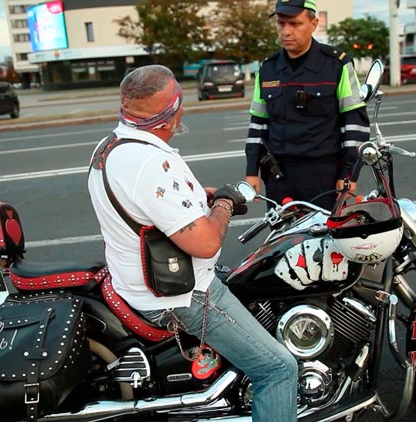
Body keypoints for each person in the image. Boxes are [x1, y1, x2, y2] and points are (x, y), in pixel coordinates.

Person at [87, 65, 299, 421]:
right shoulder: (149, 162)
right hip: (182, 296)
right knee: (278, 369)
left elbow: (140, 204)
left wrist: (200, 199)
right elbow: (205, 244)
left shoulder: (110, 146)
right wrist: (225, 204)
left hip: (138, 283)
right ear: (172, 110)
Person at [245, 0, 370, 210]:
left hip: (323, 176)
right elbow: (258, 124)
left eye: (295, 24)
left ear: (314, 24)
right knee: (282, 239)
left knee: (324, 238)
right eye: (281, 24)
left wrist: (349, 174)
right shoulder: (268, 69)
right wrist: (251, 172)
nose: (286, 31)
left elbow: (355, 123)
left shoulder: (337, 64)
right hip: (279, 177)